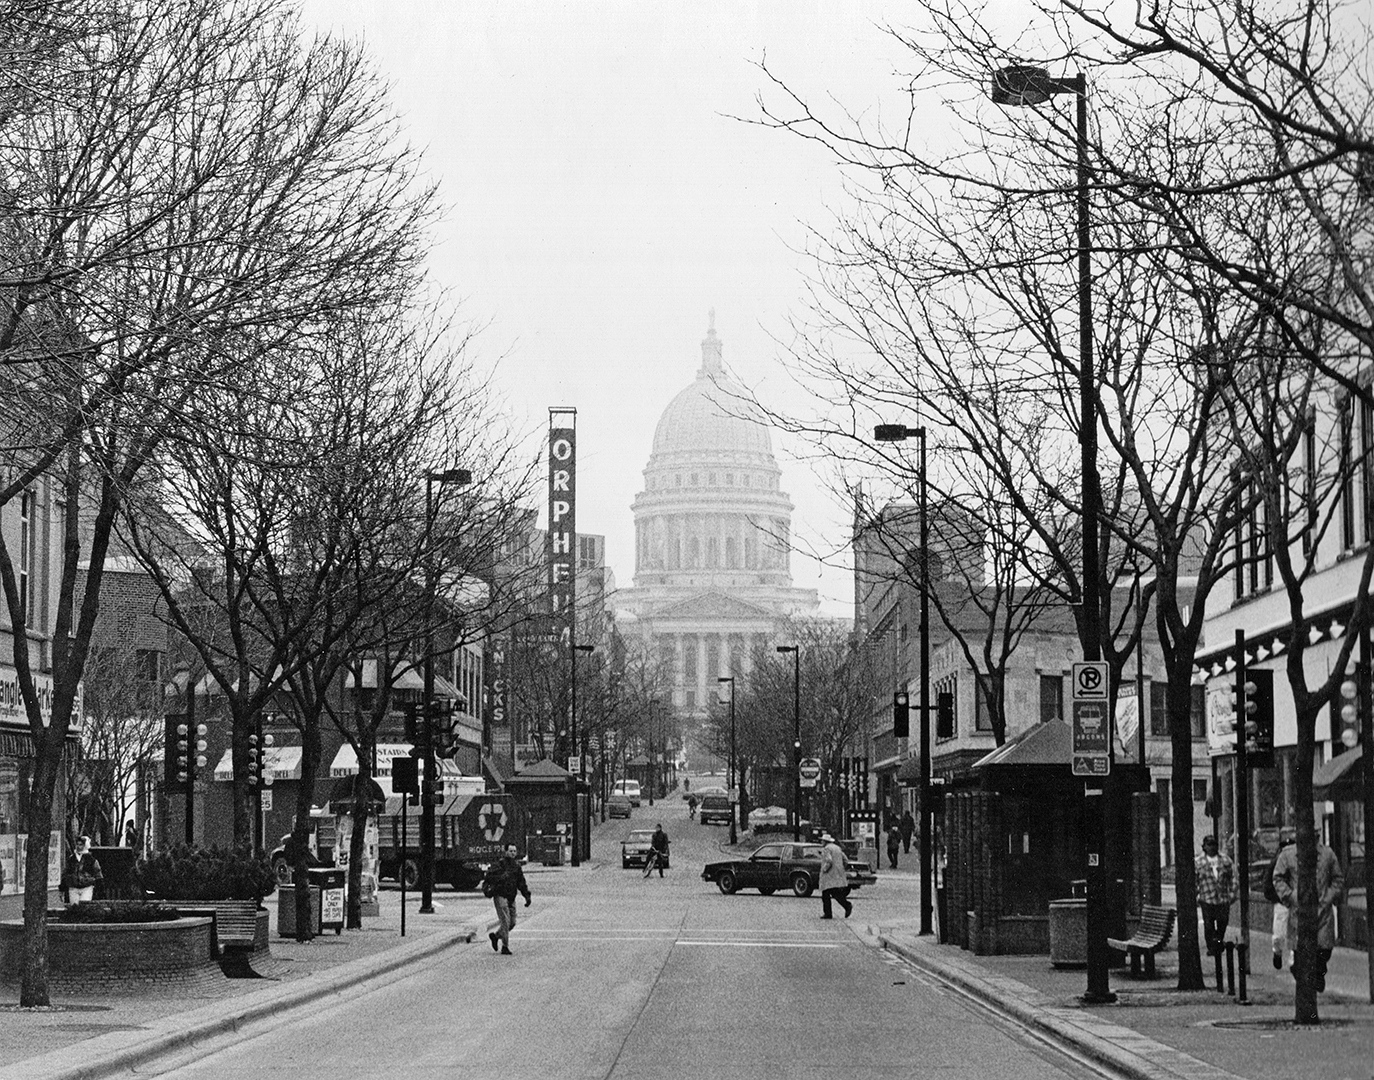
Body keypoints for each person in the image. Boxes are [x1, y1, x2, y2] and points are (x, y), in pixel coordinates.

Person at [1272, 828, 1344, 992]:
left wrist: (1329, 896)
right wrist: (1290, 896)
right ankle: (1304, 983)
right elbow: (1277, 877)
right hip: (1299, 910)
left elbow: (1337, 878)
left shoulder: (1328, 854)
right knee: (1300, 952)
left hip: (1322, 910)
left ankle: (1318, 973)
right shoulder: (1288, 854)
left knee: (1324, 948)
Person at [483, 845, 531, 956]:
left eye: (514, 851)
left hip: (511, 897)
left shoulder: (516, 866)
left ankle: (495, 936)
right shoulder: (499, 865)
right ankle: (505, 946)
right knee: (505, 921)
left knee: (512, 923)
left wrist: (527, 896)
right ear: (506, 852)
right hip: (500, 895)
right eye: (510, 851)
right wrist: (501, 878)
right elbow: (489, 878)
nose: (513, 853)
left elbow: (521, 883)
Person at [1195, 834, 1236, 957]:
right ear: (1204, 847)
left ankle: (1218, 942)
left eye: (1214, 844)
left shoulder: (1226, 860)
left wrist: (1232, 892)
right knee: (1208, 924)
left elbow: (1233, 877)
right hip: (1207, 898)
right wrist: (1197, 893)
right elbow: (1195, 880)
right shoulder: (1198, 862)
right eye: (1209, 845)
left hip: (1222, 898)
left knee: (1222, 922)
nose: (1212, 847)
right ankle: (1212, 947)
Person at [1264, 829, 1295, 970]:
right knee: (1279, 933)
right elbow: (1268, 885)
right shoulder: (1275, 863)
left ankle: (1293, 960)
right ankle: (1277, 951)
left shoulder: (1296, 864)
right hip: (1282, 902)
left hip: (1294, 902)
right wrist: (1278, 898)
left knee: (1294, 933)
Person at [818, 832, 853, 919]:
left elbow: (829, 861)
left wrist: (824, 869)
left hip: (829, 875)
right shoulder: (837, 848)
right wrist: (841, 868)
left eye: (822, 841)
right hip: (838, 874)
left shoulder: (826, 849)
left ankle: (828, 913)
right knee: (835, 893)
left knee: (825, 894)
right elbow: (845, 860)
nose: (821, 842)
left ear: (825, 841)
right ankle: (846, 905)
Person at [62, 836, 104, 905]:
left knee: (84, 906)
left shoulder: (91, 860)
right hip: (73, 887)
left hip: (87, 887)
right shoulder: (71, 859)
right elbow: (66, 873)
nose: (78, 847)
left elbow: (98, 874)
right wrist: (62, 888)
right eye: (77, 844)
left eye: (81, 844)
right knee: (74, 908)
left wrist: (100, 889)